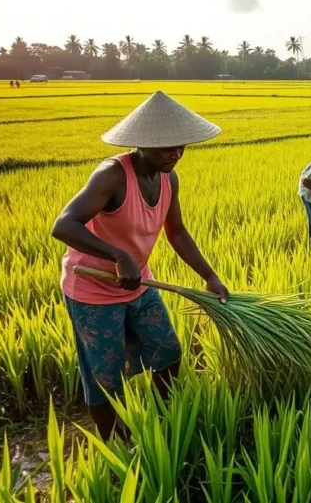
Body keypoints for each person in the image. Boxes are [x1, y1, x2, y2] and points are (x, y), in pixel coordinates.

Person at [51, 91, 228, 440]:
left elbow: (177, 233)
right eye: (166, 147)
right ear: (141, 144)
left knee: (168, 352)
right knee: (105, 376)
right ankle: (114, 445)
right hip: (93, 290)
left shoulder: (168, 177)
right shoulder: (112, 175)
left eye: (180, 146)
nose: (175, 153)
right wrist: (118, 256)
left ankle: (164, 425)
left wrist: (210, 276)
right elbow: (64, 225)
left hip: (138, 285)